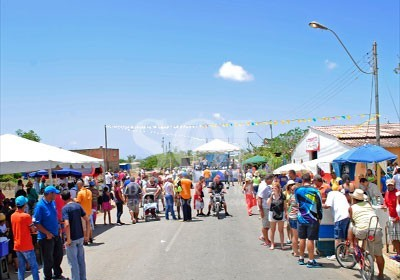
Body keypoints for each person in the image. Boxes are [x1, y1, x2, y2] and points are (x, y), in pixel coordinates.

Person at [348, 189, 385, 279]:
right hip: (376, 229)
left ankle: (352, 246)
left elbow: (352, 220)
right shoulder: (369, 205)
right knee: (379, 254)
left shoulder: (351, 208)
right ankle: (380, 274)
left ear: (354, 199)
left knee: (351, 226)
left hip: (362, 231)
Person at [33, 186, 65, 280]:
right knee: (48, 259)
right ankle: (48, 277)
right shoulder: (40, 206)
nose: (57, 195)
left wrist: (58, 223)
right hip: (46, 237)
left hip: (55, 234)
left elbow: (53, 216)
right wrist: (47, 233)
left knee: (59, 255)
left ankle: (57, 274)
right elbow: (36, 223)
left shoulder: (53, 203)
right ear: (50, 194)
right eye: (55, 193)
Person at [295, 173, 323, 268]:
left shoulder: (298, 190)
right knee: (310, 239)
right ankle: (311, 261)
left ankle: (301, 258)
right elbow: (319, 206)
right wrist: (320, 217)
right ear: (310, 180)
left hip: (301, 218)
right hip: (312, 218)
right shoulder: (315, 191)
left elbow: (297, 203)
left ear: (302, 181)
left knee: (302, 238)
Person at [61, 190, 89, 280]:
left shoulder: (65, 209)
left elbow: (67, 224)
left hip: (72, 238)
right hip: (80, 236)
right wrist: (87, 235)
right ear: (70, 196)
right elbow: (87, 219)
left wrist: (68, 239)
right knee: (81, 261)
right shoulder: (78, 206)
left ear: (62, 199)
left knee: (73, 262)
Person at [11, 196, 40, 280]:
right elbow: (33, 230)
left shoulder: (13, 216)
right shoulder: (26, 216)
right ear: (24, 205)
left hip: (17, 245)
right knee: (34, 266)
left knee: (21, 267)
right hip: (26, 245)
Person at [323, 185, 350, 260]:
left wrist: (320, 205)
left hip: (340, 217)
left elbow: (327, 205)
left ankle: (337, 255)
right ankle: (345, 254)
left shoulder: (331, 194)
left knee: (337, 237)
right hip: (348, 215)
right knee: (345, 237)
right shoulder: (340, 194)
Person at [267, 181, 287, 250]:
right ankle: (272, 244)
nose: (273, 189)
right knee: (272, 230)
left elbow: (285, 206)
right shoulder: (270, 195)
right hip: (272, 213)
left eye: (275, 188)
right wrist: (271, 196)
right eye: (272, 188)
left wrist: (286, 213)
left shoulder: (282, 196)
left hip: (281, 213)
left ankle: (282, 244)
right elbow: (268, 204)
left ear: (278, 188)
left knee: (281, 230)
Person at [384, 179, 400, 261]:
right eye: (389, 185)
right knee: (393, 237)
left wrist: (397, 218)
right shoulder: (387, 193)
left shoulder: (398, 193)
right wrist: (384, 205)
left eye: (391, 185)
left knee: (398, 237)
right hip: (391, 217)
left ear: (394, 185)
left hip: (398, 218)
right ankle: (398, 254)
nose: (390, 186)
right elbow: (386, 203)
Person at [75, 180, 93, 245]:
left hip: (82, 212)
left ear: (79, 185)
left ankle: (85, 240)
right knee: (89, 225)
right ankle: (90, 237)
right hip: (89, 211)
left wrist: (74, 199)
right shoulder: (89, 191)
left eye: (77, 185)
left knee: (84, 227)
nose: (77, 186)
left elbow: (78, 202)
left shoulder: (80, 193)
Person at [257, 175, 273, 246]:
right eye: (271, 180)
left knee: (268, 224)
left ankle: (264, 236)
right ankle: (266, 240)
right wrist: (261, 211)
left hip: (267, 207)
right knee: (265, 225)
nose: (272, 181)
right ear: (268, 180)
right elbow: (259, 199)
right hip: (265, 207)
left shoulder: (265, 185)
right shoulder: (264, 187)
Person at [286, 180, 300, 257]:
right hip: (296, 217)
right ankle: (296, 252)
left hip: (291, 216)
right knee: (296, 236)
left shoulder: (291, 196)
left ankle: (293, 250)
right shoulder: (297, 197)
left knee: (293, 235)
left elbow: (289, 205)